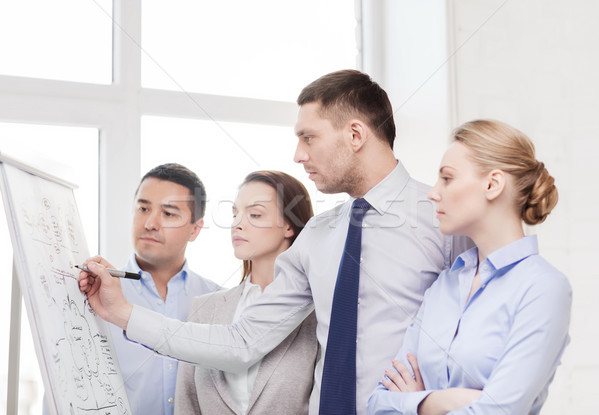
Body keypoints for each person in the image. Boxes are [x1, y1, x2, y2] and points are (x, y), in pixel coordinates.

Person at [78, 69, 470, 415]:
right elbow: (242, 340)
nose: (298, 155)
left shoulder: (445, 219)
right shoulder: (317, 238)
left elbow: (485, 335)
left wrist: (436, 400)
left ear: (355, 134)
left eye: (308, 137)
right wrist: (124, 313)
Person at [367, 120, 572, 415]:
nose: (433, 193)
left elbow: (498, 411)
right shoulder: (444, 285)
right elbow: (377, 404)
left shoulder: (544, 288)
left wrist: (417, 401)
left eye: (447, 179)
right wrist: (443, 400)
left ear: (492, 185)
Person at [174, 170, 318, 414]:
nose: (237, 224)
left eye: (254, 214)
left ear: (289, 226)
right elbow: (186, 403)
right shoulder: (205, 308)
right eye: (235, 213)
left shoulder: (317, 314)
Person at [105, 163, 221, 415]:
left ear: (195, 229)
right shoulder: (97, 294)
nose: (150, 223)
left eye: (168, 214)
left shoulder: (219, 301)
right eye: (143, 208)